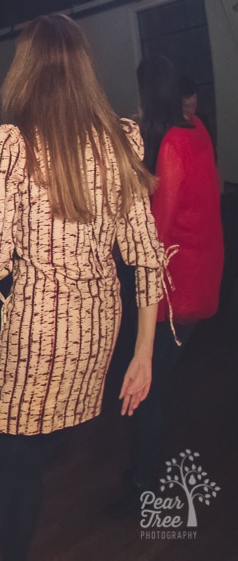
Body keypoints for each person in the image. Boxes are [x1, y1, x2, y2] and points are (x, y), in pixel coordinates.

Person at [0, 16, 167, 560]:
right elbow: (147, 257)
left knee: (0, 478)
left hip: (39, 333)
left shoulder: (13, 143)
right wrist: (143, 354)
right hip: (96, 333)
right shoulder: (123, 136)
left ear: (27, 70)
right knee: (26, 468)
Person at [105, 55, 224, 516]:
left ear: (148, 93)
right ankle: (143, 472)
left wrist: (118, 242)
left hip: (177, 289)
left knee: (146, 385)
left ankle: (142, 487)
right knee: (159, 381)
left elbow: (159, 228)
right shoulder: (197, 131)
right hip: (202, 276)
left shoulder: (173, 142)